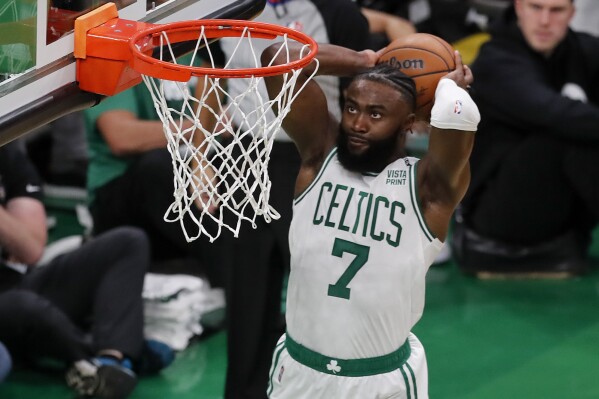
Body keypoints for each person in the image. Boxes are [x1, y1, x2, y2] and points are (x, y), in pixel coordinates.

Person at [260, 38, 479, 396]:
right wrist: (365, 61)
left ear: (409, 122)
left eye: (376, 114)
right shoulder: (320, 156)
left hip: (379, 381)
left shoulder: (427, 190)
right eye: (351, 108)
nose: (357, 123)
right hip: (299, 371)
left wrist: (446, 88)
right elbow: (279, 58)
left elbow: (457, 117)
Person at [213, 1, 371, 398]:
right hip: (243, 155)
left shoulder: (341, 15)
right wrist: (201, 157)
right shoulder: (221, 8)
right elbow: (208, 82)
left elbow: (362, 97)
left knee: (320, 295)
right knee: (247, 299)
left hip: (314, 158)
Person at [0, 141, 174, 398]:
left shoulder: (6, 150)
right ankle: (107, 352)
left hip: (20, 284)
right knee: (22, 304)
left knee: (128, 242)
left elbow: (32, 247)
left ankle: (112, 359)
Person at [451, 0, 599, 277]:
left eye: (556, 11)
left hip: (556, 209)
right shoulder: (497, 58)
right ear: (518, 8)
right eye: (535, 7)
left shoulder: (581, 49)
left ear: (572, 14)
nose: (545, 20)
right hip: (495, 214)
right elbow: (555, 114)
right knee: (569, 134)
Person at [83, 56, 223, 284]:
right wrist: (205, 126)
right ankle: (229, 271)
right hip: (121, 200)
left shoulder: (207, 51)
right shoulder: (114, 54)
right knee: (157, 167)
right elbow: (122, 137)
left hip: (185, 189)